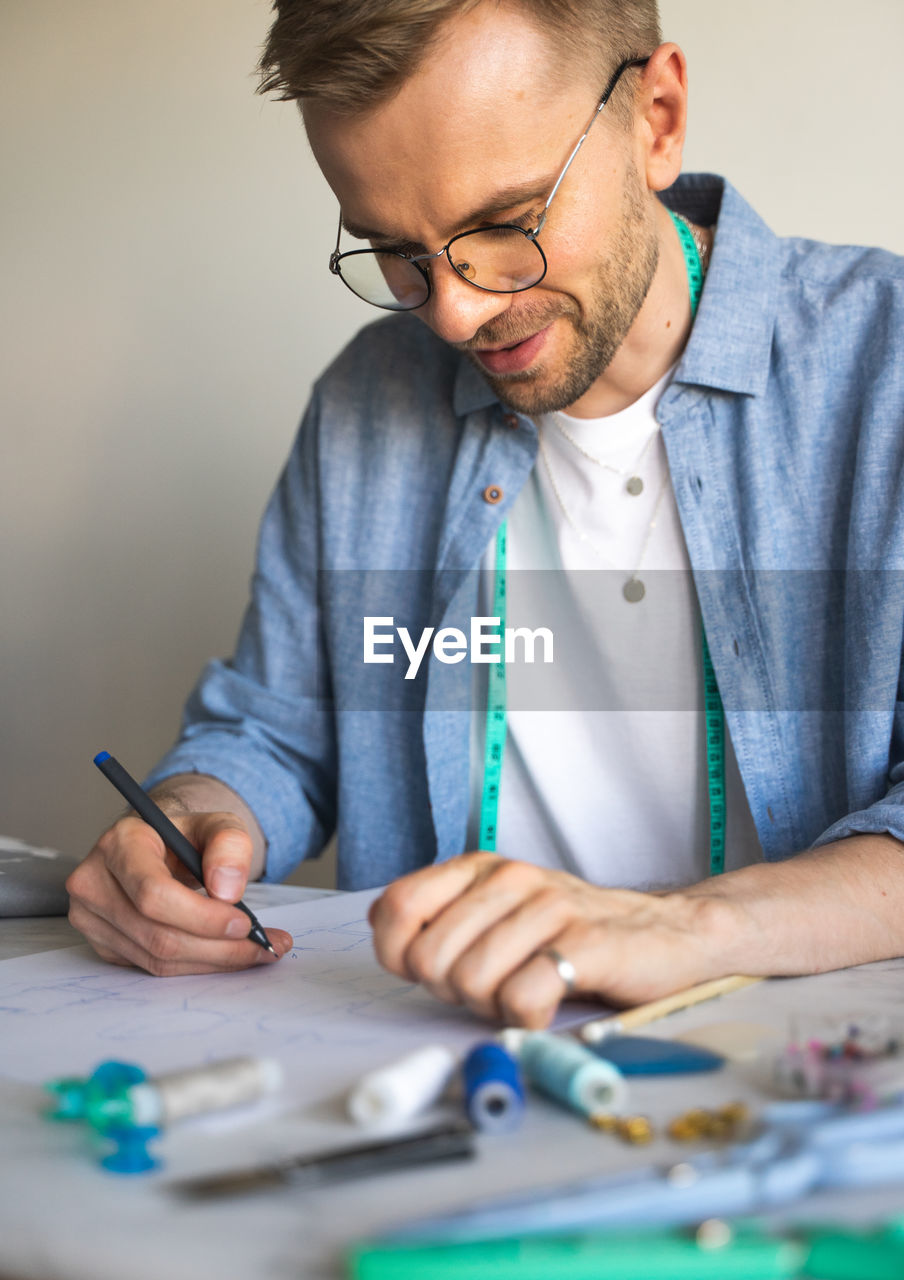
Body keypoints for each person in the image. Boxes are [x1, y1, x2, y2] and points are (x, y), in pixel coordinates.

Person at [67, 0, 904, 1028]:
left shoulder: (887, 371)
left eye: (504, 225)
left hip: (812, 1089)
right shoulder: (365, 403)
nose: (454, 312)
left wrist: (681, 926)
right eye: (395, 251)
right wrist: (201, 811)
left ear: (657, 116)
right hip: (457, 1084)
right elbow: (278, 731)